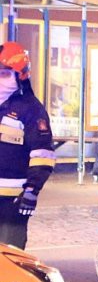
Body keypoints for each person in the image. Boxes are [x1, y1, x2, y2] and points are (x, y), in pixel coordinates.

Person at [0, 42, 56, 249]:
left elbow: (42, 155)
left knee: (9, 257)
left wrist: (31, 190)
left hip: (12, 202)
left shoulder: (32, 110)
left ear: (20, 75)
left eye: (5, 73)